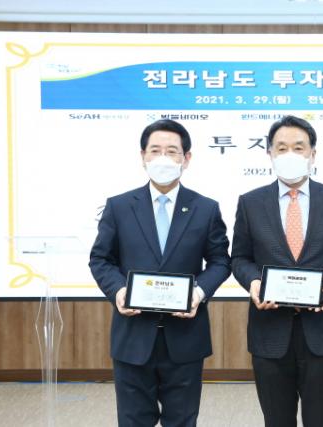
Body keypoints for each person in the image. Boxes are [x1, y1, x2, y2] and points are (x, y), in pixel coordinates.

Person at [89, 119, 231, 427]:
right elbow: (100, 259)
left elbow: (221, 261)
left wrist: (198, 293)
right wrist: (119, 291)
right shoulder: (119, 206)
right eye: (155, 150)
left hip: (186, 337)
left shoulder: (206, 208)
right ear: (143, 156)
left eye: (172, 151)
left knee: (182, 421)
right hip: (133, 336)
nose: (163, 158)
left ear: (186, 158)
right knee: (133, 421)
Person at [231, 115, 323, 427]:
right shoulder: (250, 203)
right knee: (277, 420)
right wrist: (253, 281)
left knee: (320, 420)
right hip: (269, 331)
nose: (290, 154)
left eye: (299, 147)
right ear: (270, 153)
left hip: (322, 331)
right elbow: (239, 258)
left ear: (313, 154)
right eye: (282, 147)